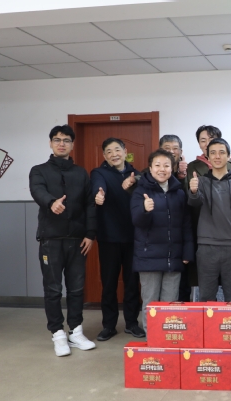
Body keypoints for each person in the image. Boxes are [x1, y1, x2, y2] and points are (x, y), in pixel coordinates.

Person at [29, 124, 97, 357]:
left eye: (66, 140)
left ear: (72, 145)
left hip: (78, 240)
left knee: (76, 289)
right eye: (57, 140)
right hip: (51, 239)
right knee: (53, 289)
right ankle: (58, 334)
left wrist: (90, 234)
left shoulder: (81, 173)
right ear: (50, 143)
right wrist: (51, 202)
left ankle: (76, 331)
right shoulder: (39, 170)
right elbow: (37, 191)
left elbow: (89, 204)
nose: (61, 144)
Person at [130, 149, 193, 334]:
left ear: (172, 168)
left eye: (166, 165)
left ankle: (167, 338)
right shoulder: (140, 191)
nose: (162, 169)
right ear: (150, 168)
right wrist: (145, 210)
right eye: (157, 165)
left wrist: (187, 252)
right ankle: (152, 339)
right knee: (150, 302)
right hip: (148, 257)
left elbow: (186, 225)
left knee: (170, 304)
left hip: (174, 257)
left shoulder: (179, 192)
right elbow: (137, 221)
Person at [183, 126, 231, 297]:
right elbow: (194, 204)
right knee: (206, 297)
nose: (217, 156)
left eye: (221, 152)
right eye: (213, 153)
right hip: (206, 246)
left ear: (229, 156)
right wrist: (193, 191)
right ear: (208, 157)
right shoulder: (200, 181)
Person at [91, 137, 144, 341]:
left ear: (125, 151)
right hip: (109, 237)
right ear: (104, 156)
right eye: (109, 151)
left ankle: (132, 323)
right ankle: (109, 325)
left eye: (117, 150)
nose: (114, 154)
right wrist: (98, 195)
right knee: (109, 283)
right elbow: (98, 186)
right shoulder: (99, 173)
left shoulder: (136, 174)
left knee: (132, 283)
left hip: (133, 238)